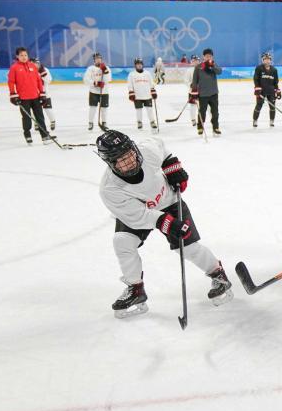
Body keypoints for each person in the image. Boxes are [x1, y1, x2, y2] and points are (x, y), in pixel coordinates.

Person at [95, 130, 232, 318]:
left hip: (170, 203)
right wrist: (166, 223)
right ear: (110, 163)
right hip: (139, 214)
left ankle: (218, 275)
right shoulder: (110, 189)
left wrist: (171, 166)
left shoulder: (147, 151)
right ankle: (136, 289)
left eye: (129, 155)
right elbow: (139, 217)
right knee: (122, 242)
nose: (130, 161)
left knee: (188, 247)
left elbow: (160, 145)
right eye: (121, 160)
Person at [7, 47, 51, 144]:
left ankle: (44, 136)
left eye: (25, 55)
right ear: (17, 56)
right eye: (21, 55)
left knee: (40, 117)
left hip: (35, 97)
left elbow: (39, 81)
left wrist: (42, 93)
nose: (24, 57)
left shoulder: (32, 66)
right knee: (26, 118)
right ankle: (27, 134)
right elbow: (11, 82)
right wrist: (13, 95)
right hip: (23, 98)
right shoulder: (14, 67)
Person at [191, 48, 222, 135]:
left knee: (215, 112)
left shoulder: (214, 64)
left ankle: (216, 127)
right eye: (207, 56)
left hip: (214, 93)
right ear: (203, 56)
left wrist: (212, 66)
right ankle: (200, 127)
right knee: (202, 112)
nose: (208, 57)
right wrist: (194, 93)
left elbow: (219, 72)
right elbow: (194, 81)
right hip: (203, 94)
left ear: (212, 56)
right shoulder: (198, 67)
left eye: (210, 56)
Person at [83, 51, 112, 131]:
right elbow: (86, 80)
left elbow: (108, 79)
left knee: (104, 108)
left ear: (101, 59)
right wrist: (96, 83)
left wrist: (104, 71)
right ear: (94, 60)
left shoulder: (106, 68)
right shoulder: (90, 69)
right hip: (94, 92)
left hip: (104, 92)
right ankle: (90, 122)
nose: (98, 60)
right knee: (93, 107)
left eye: (99, 58)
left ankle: (104, 123)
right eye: (96, 59)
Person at [127, 57, 158, 131]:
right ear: (135, 65)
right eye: (137, 64)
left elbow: (151, 83)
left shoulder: (147, 73)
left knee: (150, 109)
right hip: (137, 96)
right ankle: (139, 122)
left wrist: (153, 92)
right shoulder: (132, 74)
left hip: (147, 95)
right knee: (139, 110)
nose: (139, 65)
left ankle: (152, 121)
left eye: (140, 64)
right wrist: (131, 93)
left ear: (142, 64)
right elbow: (130, 85)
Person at [252, 52, 281, 127]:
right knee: (259, 105)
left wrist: (277, 90)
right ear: (262, 60)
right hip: (261, 91)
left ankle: (272, 121)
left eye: (268, 59)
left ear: (270, 60)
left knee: (272, 106)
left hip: (271, 91)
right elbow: (256, 79)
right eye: (265, 59)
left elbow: (276, 81)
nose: (267, 61)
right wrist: (257, 88)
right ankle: (255, 120)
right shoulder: (259, 68)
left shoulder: (274, 70)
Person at [33, 58, 57, 131]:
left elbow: (49, 80)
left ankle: (52, 121)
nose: (36, 65)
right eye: (34, 63)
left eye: (37, 63)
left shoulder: (45, 70)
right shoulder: (30, 70)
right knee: (35, 110)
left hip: (45, 94)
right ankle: (36, 122)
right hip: (34, 94)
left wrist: (42, 75)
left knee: (48, 109)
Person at [187, 55, 200, 126]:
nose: (195, 62)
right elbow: (186, 81)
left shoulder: (202, 69)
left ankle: (201, 118)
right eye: (194, 60)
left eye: (197, 60)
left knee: (204, 106)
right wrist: (191, 84)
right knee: (193, 106)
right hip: (192, 92)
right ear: (191, 61)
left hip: (201, 91)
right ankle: (193, 119)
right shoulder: (189, 70)